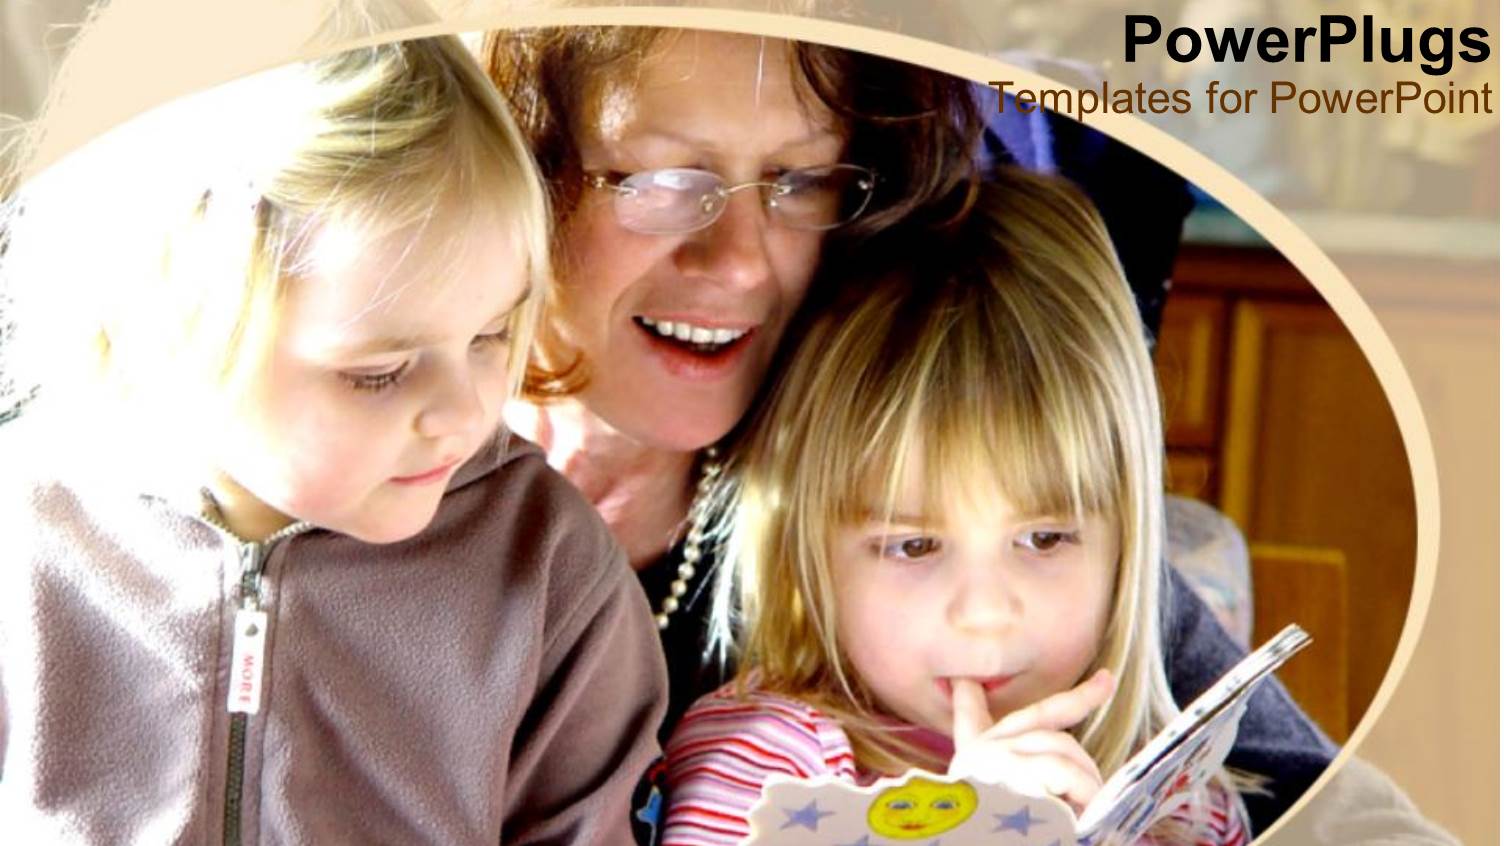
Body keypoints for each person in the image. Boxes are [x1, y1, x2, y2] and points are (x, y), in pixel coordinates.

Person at [480, 26, 1333, 837]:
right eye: (661, 181)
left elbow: (1327, 807)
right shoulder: (382, 499)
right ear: (511, 177)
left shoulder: (900, 440)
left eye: (799, 179)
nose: (740, 260)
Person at [0, 31, 663, 845]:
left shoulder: (546, 566)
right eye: (379, 372)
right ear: (161, 326)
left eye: (491, 335)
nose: (465, 412)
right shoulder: (22, 542)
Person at [656, 170, 1250, 845]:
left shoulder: (1183, 805)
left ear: (1126, 543)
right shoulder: (768, 769)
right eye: (914, 545)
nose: (985, 611)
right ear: (807, 546)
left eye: (1046, 538)